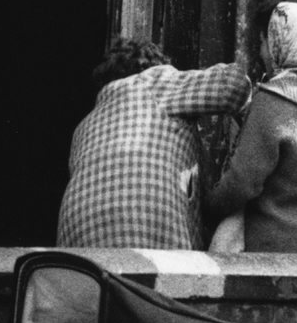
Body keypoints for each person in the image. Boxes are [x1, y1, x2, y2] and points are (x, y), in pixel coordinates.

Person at [56, 37, 251, 249]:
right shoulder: (154, 82)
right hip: (144, 215)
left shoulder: (84, 126)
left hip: (77, 229)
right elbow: (233, 83)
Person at [205, 1, 297, 253]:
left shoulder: (272, 99)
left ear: (281, 43)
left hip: (268, 244)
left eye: (263, 43)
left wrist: (208, 207)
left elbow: (242, 183)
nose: (261, 53)